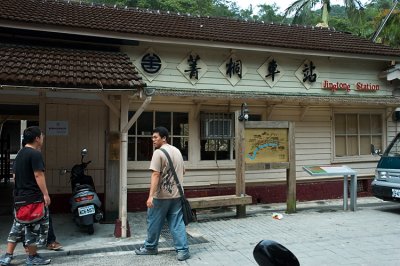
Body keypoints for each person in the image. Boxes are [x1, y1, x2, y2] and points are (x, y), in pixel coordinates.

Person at [135, 126, 190, 261]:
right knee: (177, 223)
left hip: (161, 196)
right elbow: (183, 171)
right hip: (177, 195)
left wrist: (150, 196)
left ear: (164, 138)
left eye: (155, 137)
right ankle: (183, 251)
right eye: (152, 137)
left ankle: (150, 247)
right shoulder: (177, 151)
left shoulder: (158, 153)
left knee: (154, 221)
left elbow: (155, 175)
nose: (153, 140)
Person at [0, 126, 51, 266]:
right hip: (33, 198)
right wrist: (45, 194)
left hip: (20, 198)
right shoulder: (35, 154)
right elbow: (38, 174)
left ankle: (7, 256)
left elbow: (15, 176)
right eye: (42, 136)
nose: (42, 139)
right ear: (37, 138)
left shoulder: (20, 153)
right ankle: (32, 257)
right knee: (32, 228)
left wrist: (19, 192)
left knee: (18, 226)